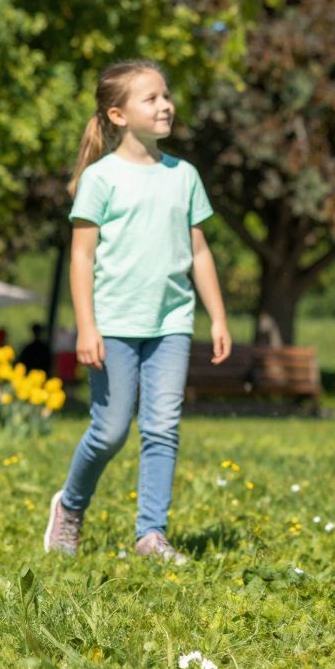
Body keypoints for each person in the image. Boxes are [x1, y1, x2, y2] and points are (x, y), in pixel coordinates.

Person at [42, 61, 231, 564]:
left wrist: (216, 316)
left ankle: (151, 534)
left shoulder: (184, 175)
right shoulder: (100, 179)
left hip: (171, 321)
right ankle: (71, 505)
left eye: (165, 95)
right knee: (108, 430)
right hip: (113, 325)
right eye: (151, 98)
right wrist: (86, 325)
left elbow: (200, 251)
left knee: (163, 427)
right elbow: (81, 257)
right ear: (118, 114)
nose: (165, 104)